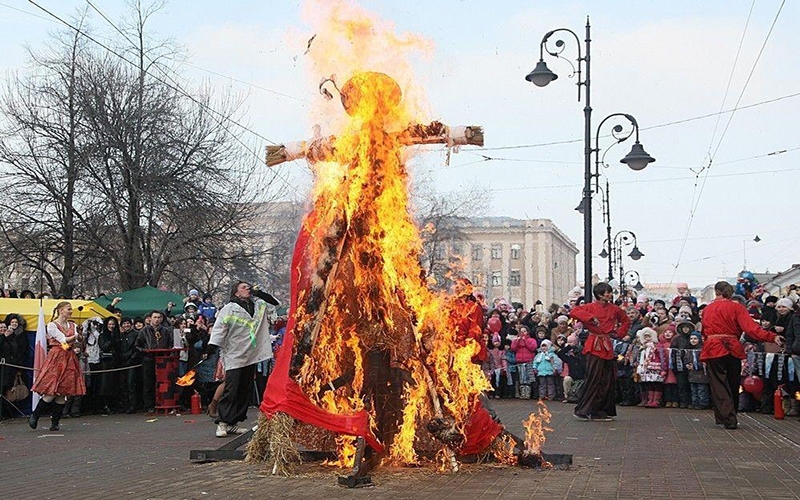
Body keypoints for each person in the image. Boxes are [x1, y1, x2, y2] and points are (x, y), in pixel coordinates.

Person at [700, 281, 784, 429]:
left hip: (713, 347)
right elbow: (751, 328)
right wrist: (772, 337)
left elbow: (705, 332)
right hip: (732, 346)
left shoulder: (708, 309)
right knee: (733, 382)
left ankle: (727, 416)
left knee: (719, 384)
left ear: (716, 292)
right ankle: (731, 414)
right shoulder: (737, 307)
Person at [209, 281, 278, 438]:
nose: (247, 289)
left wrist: (260, 293)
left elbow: (275, 304)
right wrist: (213, 345)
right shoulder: (229, 309)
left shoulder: (259, 304)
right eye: (243, 287)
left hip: (251, 354)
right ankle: (222, 422)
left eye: (248, 286)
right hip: (235, 354)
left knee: (244, 389)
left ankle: (234, 422)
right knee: (231, 388)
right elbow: (220, 328)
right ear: (236, 293)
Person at [569, 282, 631, 421]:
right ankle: (583, 410)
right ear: (599, 294)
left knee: (607, 380)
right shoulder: (590, 307)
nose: (609, 294)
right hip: (594, 345)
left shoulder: (614, 309)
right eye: (606, 292)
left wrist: (618, 333)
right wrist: (590, 318)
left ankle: (600, 410)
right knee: (594, 378)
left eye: (610, 292)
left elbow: (626, 321)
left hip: (606, 345)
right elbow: (573, 311)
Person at [29, 302, 87, 431]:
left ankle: (55, 422)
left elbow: (78, 342)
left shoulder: (73, 325)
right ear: (61, 310)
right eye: (68, 309)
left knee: (63, 391)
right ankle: (35, 415)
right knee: (51, 390)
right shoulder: (52, 325)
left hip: (69, 357)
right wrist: (76, 336)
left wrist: (81, 336)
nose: (71, 311)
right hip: (57, 357)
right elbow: (63, 340)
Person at [135, 310, 173, 412]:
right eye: (155, 317)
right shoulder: (144, 331)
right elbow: (138, 346)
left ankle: (162, 403)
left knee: (163, 383)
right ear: (150, 318)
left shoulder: (166, 331)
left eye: (158, 317)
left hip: (163, 360)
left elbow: (170, 344)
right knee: (148, 383)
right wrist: (145, 351)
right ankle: (149, 405)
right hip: (148, 359)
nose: (157, 320)